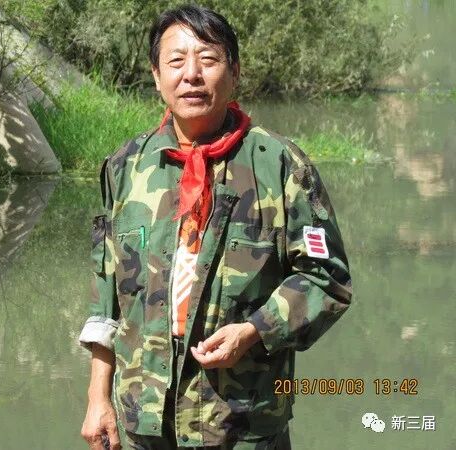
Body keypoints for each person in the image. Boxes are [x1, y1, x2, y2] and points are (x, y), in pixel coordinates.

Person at [79, 5, 352, 450]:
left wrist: (254, 331)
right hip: (146, 420)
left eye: (208, 59)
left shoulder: (280, 166)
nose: (191, 74)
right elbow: (106, 291)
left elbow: (328, 278)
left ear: (235, 73)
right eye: (176, 61)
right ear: (156, 76)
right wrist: (97, 398)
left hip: (240, 422)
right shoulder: (126, 168)